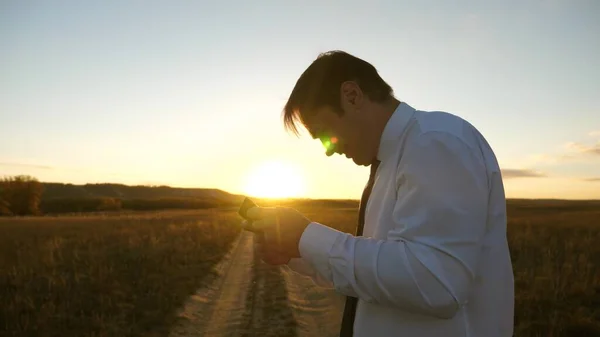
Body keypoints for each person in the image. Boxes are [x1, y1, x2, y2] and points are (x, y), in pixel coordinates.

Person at [242, 50, 514, 337]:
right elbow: (387, 274)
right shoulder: (393, 161)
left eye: (323, 132)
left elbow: (436, 283)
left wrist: (306, 235)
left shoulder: (435, 141)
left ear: (352, 96)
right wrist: (298, 251)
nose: (328, 149)